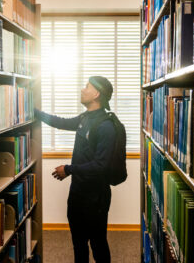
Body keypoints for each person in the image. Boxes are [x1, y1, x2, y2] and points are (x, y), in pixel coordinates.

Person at [35, 76, 117, 263]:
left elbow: (101, 165)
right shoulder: (85, 118)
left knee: (97, 244)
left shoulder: (106, 126)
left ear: (96, 94)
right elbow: (61, 122)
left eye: (87, 87)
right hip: (77, 193)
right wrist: (35, 112)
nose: (82, 89)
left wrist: (69, 169)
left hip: (96, 197)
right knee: (78, 243)